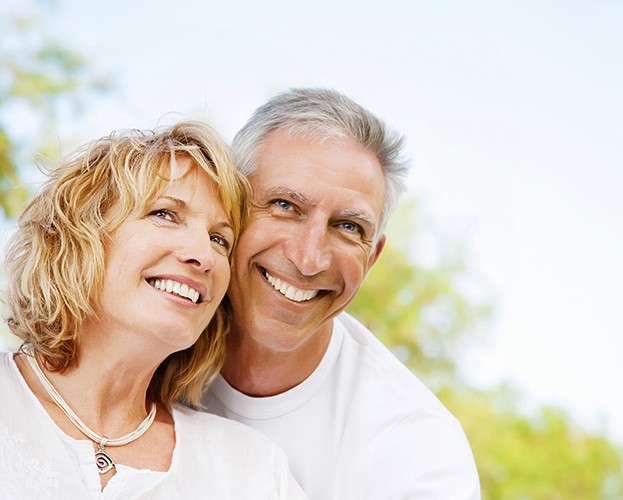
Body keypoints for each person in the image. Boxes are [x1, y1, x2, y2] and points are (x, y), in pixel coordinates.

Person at [1, 122, 306, 499]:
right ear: (80, 235)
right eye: (165, 214)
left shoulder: (253, 469)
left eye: (219, 239)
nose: (203, 256)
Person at [202, 89, 481, 499]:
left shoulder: (418, 450)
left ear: (372, 257)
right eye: (284, 205)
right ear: (228, 204)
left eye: (349, 227)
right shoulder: (144, 343)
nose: (308, 258)